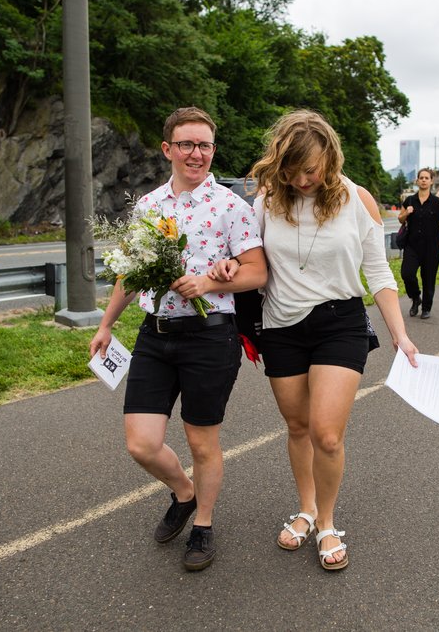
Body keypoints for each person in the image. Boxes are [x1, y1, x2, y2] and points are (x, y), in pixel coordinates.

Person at [212, 110, 419, 571]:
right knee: (299, 427)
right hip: (281, 326)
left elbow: (379, 270)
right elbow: (248, 259)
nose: (303, 180)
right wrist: (229, 268)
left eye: (312, 170)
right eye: (293, 171)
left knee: (327, 434)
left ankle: (327, 522)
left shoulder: (356, 198)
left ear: (330, 157)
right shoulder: (267, 201)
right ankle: (305, 508)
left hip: (338, 322)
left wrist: (400, 335)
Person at [89, 107, 267, 572]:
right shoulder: (148, 207)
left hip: (210, 339)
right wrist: (106, 324)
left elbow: (256, 271)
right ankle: (184, 495)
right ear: (168, 149)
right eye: (186, 144)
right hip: (156, 335)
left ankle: (203, 527)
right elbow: (131, 271)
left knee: (202, 443)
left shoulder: (232, 207)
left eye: (204, 145)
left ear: (213, 150)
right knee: (141, 443)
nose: (196, 153)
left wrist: (210, 285)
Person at [399, 168, 439, 318]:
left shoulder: (437, 202)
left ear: (431, 181)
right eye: (421, 178)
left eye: (426, 178)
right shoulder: (410, 200)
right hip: (412, 246)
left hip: (432, 246)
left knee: (428, 278)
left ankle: (426, 308)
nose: (423, 180)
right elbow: (400, 219)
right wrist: (406, 212)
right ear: (417, 181)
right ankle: (416, 298)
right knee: (407, 273)